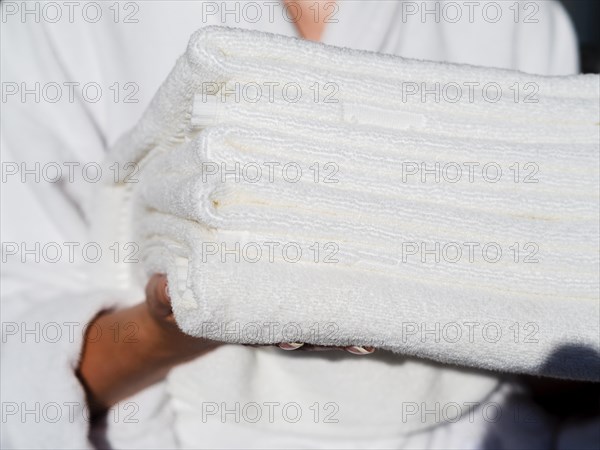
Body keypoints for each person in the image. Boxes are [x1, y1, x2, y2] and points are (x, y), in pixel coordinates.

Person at [1, 1, 582, 448]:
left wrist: (502, 307)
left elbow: (551, 313)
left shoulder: (519, 15)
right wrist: (173, 322)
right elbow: (22, 363)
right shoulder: (57, 19)